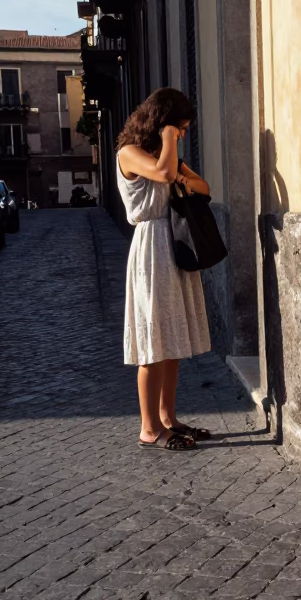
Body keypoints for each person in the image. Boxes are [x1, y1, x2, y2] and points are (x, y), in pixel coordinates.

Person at [115, 88, 214, 450]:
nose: (183, 134)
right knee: (151, 345)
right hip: (150, 249)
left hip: (172, 247)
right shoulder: (130, 153)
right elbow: (162, 172)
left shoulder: (165, 154)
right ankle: (149, 428)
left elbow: (202, 188)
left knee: (170, 344)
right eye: (180, 127)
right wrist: (169, 140)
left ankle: (168, 419)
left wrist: (183, 178)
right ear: (163, 122)